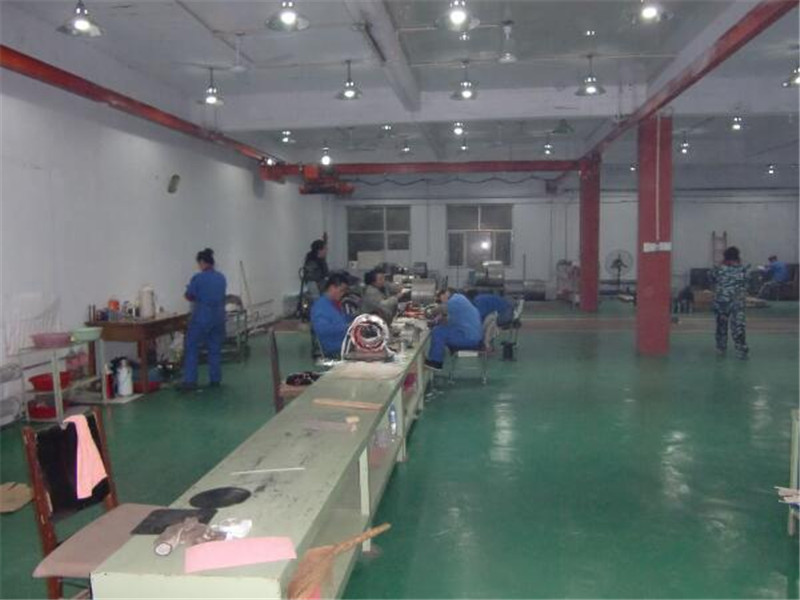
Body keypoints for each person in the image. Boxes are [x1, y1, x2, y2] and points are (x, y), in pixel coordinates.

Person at [182, 248, 227, 390]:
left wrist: (191, 290)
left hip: (202, 317)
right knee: (214, 349)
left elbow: (189, 296)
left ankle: (190, 381)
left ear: (202, 262)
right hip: (218, 317)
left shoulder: (198, 278)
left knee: (192, 346)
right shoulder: (221, 278)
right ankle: (215, 379)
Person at [425, 288, 482, 371]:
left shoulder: (456, 300)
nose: (441, 301)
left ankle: (436, 362)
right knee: (441, 329)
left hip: (469, 338)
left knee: (438, 332)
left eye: (441, 297)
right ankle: (436, 357)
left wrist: (429, 312)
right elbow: (449, 320)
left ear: (446, 294)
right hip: (471, 335)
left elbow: (441, 309)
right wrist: (437, 320)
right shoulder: (461, 300)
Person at [709, 246, 749, 359]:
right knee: (738, 326)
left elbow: (711, 279)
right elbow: (748, 283)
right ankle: (741, 350)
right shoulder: (743, 269)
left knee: (721, 325)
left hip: (721, 301)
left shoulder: (718, 269)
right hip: (737, 302)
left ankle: (721, 348)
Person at [310, 273, 354, 358]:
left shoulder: (333, 304)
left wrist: (355, 319)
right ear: (332, 288)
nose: (343, 294)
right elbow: (322, 330)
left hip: (344, 344)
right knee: (374, 353)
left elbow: (341, 319)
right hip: (334, 348)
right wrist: (347, 327)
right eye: (342, 290)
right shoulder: (320, 307)